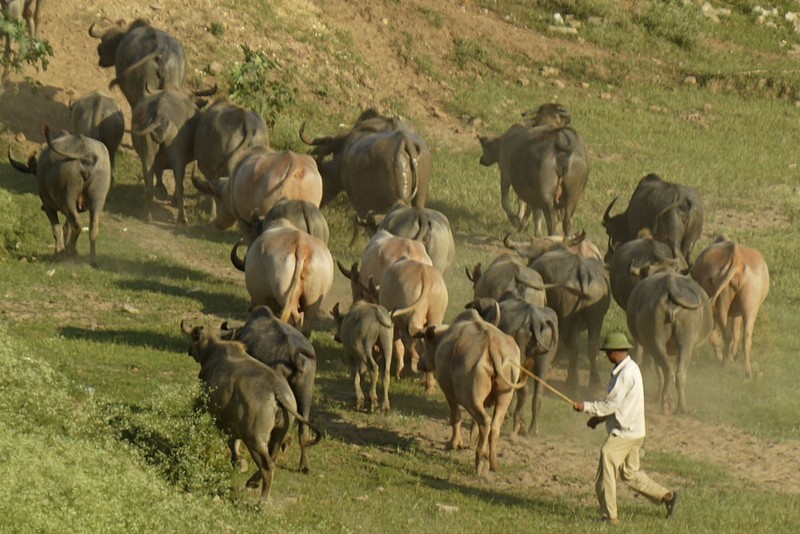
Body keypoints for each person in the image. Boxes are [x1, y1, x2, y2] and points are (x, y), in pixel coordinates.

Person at [572, 332, 679, 525]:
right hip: (636, 431)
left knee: (607, 458)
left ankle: (609, 516)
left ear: (614, 352)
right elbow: (620, 405)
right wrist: (598, 420)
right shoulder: (631, 368)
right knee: (630, 474)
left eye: (607, 352)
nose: (606, 356)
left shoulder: (624, 374)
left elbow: (610, 404)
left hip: (625, 433)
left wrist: (585, 407)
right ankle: (667, 496)